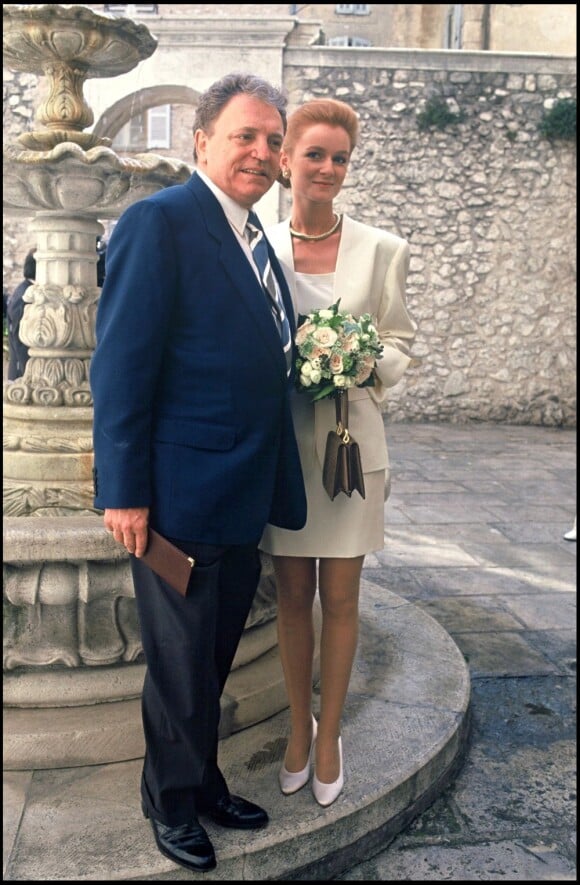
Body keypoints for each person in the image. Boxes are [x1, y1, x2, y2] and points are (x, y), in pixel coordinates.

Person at [89, 72, 307, 873]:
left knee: (210, 657)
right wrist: (124, 491)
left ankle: (202, 777)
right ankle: (171, 801)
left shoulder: (253, 237)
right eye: (245, 135)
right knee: (181, 665)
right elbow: (121, 366)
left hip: (238, 491)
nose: (261, 151)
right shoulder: (161, 222)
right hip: (178, 493)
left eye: (271, 141)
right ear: (202, 140)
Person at [260, 98, 417, 807]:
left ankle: (331, 736)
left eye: (340, 157)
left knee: (343, 595)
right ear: (285, 158)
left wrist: (359, 361)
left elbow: (401, 342)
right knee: (292, 595)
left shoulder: (383, 249)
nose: (327, 168)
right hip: (281, 444)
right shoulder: (253, 238)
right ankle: (298, 726)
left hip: (351, 447)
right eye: (314, 154)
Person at [6, 247, 36, 381]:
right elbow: (20, 341)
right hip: (22, 374)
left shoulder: (26, 291)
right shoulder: (24, 296)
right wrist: (29, 375)